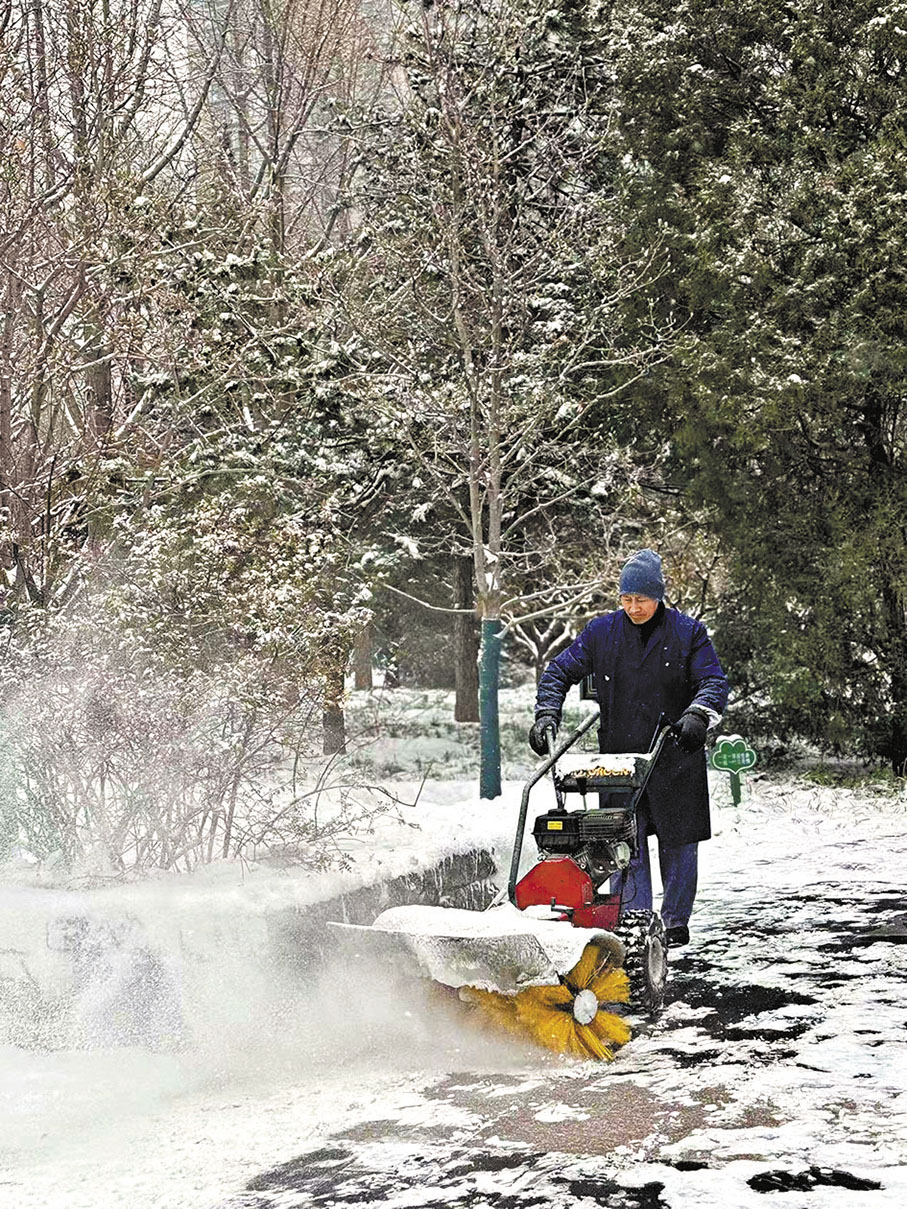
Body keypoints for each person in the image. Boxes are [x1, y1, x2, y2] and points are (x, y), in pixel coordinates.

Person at [528, 548, 728, 947]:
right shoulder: (601, 634)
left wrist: (698, 715)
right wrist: (546, 713)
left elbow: (713, 682)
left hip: (675, 754)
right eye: (626, 599)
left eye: (641, 599)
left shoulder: (688, 633)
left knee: (678, 843)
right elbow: (559, 672)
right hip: (619, 759)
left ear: (659, 597)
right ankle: (637, 921)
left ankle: (674, 923)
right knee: (623, 842)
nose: (634, 607)